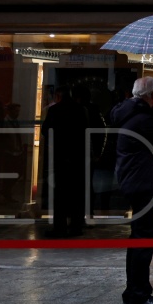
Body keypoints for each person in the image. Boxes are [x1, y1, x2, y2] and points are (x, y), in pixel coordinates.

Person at [112, 76, 153, 304]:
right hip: (146, 184)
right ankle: (138, 297)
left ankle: (134, 292)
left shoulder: (127, 113)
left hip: (135, 182)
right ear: (151, 95)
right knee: (144, 240)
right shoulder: (144, 118)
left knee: (138, 239)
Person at [41, 85, 89, 238]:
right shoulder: (80, 109)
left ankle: (60, 228)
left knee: (60, 194)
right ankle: (76, 226)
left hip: (60, 156)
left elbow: (45, 130)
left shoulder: (54, 110)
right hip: (78, 157)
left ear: (58, 96)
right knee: (77, 194)